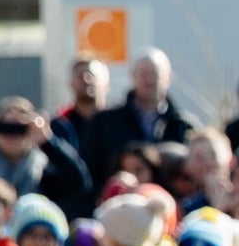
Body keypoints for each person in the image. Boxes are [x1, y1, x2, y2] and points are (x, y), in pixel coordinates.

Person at [82, 49, 193, 188]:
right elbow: (88, 172)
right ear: (133, 76)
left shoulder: (184, 126)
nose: (149, 79)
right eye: (143, 74)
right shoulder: (105, 122)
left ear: (168, 77)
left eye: (155, 73)